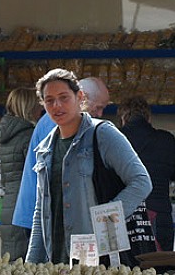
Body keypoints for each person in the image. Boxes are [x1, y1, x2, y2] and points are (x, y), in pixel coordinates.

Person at [26, 69, 151, 264]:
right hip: (57, 259)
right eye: (49, 100)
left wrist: (105, 221)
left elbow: (142, 181)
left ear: (80, 97)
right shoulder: (45, 149)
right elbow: (41, 210)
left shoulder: (103, 134)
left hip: (101, 257)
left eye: (64, 97)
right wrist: (31, 262)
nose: (57, 105)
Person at [12, 76, 111, 234]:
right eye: (98, 107)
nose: (99, 113)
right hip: (46, 215)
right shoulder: (59, 122)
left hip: (45, 212)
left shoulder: (63, 121)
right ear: (81, 97)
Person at [118, 95, 175, 251]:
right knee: (160, 269)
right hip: (160, 215)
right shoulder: (166, 140)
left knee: (121, 271)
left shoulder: (113, 139)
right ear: (148, 117)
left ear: (123, 118)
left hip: (122, 218)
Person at [0, 87, 41, 260]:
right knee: (25, 261)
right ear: (29, 108)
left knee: (11, 256)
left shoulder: (5, 135)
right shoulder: (28, 136)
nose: (41, 110)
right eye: (38, 106)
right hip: (25, 203)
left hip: (10, 202)